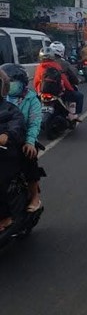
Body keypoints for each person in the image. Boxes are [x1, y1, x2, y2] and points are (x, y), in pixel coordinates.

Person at [2, 63, 46, 212]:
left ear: (22, 84)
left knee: (29, 158)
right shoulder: (3, 99)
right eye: (8, 84)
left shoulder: (32, 100)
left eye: (13, 84)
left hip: (21, 140)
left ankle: (34, 196)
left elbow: (34, 123)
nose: (10, 87)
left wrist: (30, 142)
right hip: (3, 141)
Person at [0, 68, 26, 231]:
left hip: (5, 153)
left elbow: (17, 125)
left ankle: (5, 216)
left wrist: (6, 135)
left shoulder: (9, 108)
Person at [33, 48, 83, 119]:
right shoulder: (56, 65)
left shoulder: (39, 67)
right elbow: (64, 80)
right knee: (79, 96)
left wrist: (38, 92)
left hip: (42, 93)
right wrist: (71, 89)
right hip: (57, 93)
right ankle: (73, 115)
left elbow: (36, 82)